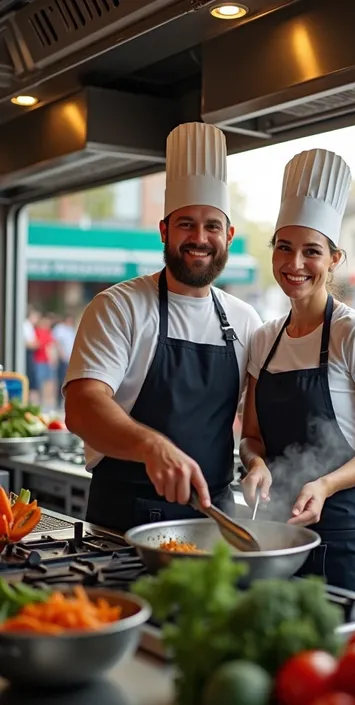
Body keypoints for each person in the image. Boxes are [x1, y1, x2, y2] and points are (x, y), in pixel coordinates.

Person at [64, 122, 262, 533]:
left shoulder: (245, 320)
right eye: (186, 224)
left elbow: (254, 426)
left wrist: (258, 461)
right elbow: (82, 407)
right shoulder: (119, 306)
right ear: (164, 231)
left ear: (228, 235)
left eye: (211, 226)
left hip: (215, 520)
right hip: (127, 520)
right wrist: (152, 446)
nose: (199, 238)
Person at [240, 149, 355, 600]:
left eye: (312, 251)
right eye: (285, 248)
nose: (295, 264)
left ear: (334, 259)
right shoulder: (264, 340)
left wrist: (325, 483)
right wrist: (254, 465)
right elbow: (252, 437)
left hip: (349, 538)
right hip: (279, 540)